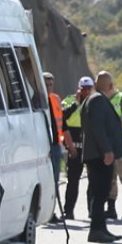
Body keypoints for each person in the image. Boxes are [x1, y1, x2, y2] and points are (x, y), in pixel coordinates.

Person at [81, 72, 122, 243]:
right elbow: (98, 127)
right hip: (99, 155)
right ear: (110, 85)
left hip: (97, 154)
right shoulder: (98, 100)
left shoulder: (92, 99)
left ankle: (101, 228)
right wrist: (107, 150)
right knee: (100, 193)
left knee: (101, 192)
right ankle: (96, 230)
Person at [97, 71, 122, 221]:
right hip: (107, 144)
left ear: (111, 86)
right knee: (110, 177)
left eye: (103, 88)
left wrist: (111, 122)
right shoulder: (100, 99)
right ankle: (111, 209)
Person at [59, 76, 94, 220]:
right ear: (78, 89)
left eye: (88, 89)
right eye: (83, 89)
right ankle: (69, 211)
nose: (85, 92)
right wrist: (76, 104)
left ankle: (93, 210)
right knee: (73, 180)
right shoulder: (68, 101)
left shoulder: (96, 102)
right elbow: (62, 118)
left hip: (91, 145)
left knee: (93, 180)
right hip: (74, 146)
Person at [44, 73, 66, 223]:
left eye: (50, 84)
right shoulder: (35, 100)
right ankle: (47, 213)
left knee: (55, 180)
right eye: (45, 84)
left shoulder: (56, 99)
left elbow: (62, 123)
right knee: (46, 181)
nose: (48, 87)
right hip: (42, 147)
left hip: (56, 145)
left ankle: (52, 212)